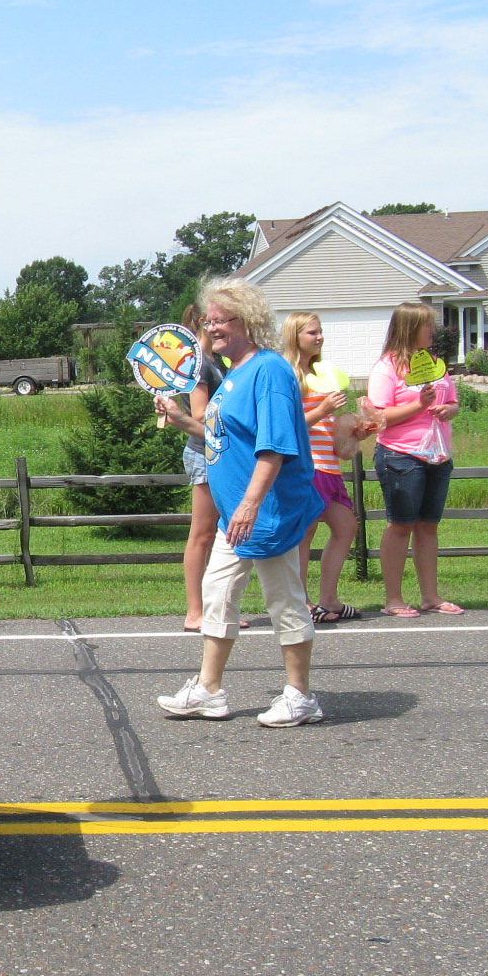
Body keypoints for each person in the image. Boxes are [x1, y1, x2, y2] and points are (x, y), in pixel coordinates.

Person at [154, 278, 325, 727]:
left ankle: (300, 695)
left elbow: (275, 447)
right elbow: (223, 438)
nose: (211, 331)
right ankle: (208, 690)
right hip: (237, 515)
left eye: (220, 322)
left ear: (247, 321)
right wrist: (182, 421)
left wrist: (250, 504)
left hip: (267, 511)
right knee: (217, 593)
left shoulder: (268, 371)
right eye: (208, 324)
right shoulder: (235, 374)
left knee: (283, 600)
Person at [367, 302, 462, 617]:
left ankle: (430, 596)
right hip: (401, 454)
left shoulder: (435, 363)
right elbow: (378, 418)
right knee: (400, 525)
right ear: (409, 328)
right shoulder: (387, 367)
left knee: (428, 526)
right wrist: (419, 405)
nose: (433, 331)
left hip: (437, 454)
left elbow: (452, 402)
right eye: (427, 325)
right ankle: (393, 599)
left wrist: (448, 409)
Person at [281, 311, 367, 622]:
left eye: (320, 332)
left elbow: (329, 431)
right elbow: (287, 428)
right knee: (305, 533)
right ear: (295, 337)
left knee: (347, 527)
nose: (319, 338)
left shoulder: (323, 374)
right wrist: (323, 409)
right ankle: (300, 601)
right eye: (312, 333)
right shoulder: (289, 376)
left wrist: (355, 431)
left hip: (330, 467)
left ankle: (328, 599)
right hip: (307, 467)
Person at [177, 306, 242, 632]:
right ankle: (194, 612)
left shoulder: (216, 362)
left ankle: (217, 608)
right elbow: (200, 413)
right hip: (204, 453)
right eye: (218, 320)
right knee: (202, 534)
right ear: (204, 322)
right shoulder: (199, 363)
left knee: (223, 533)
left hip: (220, 453)